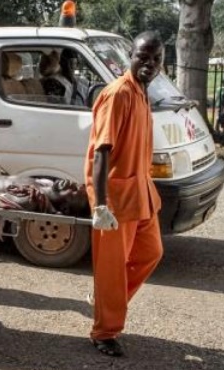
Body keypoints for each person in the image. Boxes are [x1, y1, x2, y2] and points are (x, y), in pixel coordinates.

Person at [84, 31, 164, 357]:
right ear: (130, 57)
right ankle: (104, 332)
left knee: (151, 252)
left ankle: (106, 299)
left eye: (156, 58)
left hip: (141, 193)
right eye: (143, 57)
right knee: (112, 270)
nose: (149, 63)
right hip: (115, 200)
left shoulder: (143, 92)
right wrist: (100, 205)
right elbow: (101, 152)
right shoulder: (118, 94)